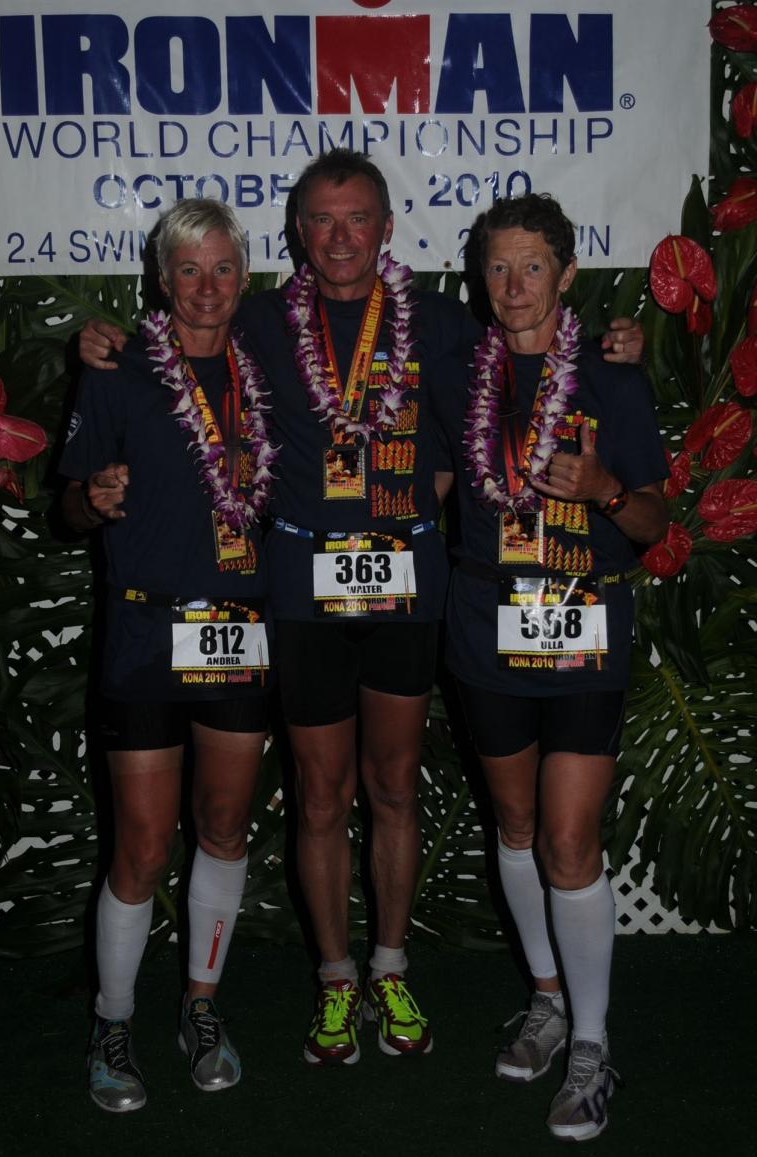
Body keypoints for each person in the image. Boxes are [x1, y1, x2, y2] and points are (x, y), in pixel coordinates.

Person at [78, 151, 646, 1069]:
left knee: (392, 786)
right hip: (300, 597)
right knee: (319, 795)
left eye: (358, 218)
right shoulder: (256, 319)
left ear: (387, 226)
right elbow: (174, 336)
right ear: (298, 233)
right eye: (321, 219)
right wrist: (102, 339)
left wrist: (622, 341)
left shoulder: (445, 322)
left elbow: (533, 363)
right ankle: (336, 977)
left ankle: (390, 964)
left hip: (407, 595)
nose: (340, 237)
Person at [433, 193, 668, 1141]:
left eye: (533, 265)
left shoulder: (612, 377)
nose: (515, 284)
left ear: (567, 274)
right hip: (485, 623)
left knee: (569, 838)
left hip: (584, 624)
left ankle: (592, 1046)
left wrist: (606, 488)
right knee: (519, 824)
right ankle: (547, 998)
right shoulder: (457, 372)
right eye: (498, 266)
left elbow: (652, 522)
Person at [61, 199, 278, 1111]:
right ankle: (112, 1021)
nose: (207, 286)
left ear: (244, 277)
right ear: (162, 280)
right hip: (147, 633)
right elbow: (69, 505)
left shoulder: (270, 364)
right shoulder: (118, 369)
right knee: (145, 845)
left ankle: (200, 1004)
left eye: (222, 267)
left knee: (223, 826)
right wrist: (94, 498)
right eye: (188, 269)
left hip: (239, 629)